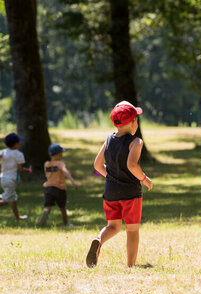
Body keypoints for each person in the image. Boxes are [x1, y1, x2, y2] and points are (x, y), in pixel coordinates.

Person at [86, 101, 153, 268]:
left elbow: (97, 165)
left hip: (110, 192)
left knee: (113, 226)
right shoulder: (136, 142)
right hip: (130, 193)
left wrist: (112, 176)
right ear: (132, 123)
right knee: (132, 230)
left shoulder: (109, 139)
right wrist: (145, 179)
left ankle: (99, 240)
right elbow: (132, 165)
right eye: (136, 119)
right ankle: (130, 265)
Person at [37, 143, 79, 226]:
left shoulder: (46, 164)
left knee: (47, 207)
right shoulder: (60, 163)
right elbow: (65, 171)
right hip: (59, 189)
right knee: (62, 207)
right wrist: (73, 182)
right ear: (59, 154)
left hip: (49, 188)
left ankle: (43, 219)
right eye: (61, 153)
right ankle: (66, 223)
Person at [0, 133, 31, 220]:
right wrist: (28, 170)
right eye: (19, 142)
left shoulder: (3, 152)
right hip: (10, 181)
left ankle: (18, 218)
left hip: (3, 179)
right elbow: (20, 169)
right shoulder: (19, 154)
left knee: (13, 199)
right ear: (16, 144)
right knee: (6, 201)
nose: (20, 144)